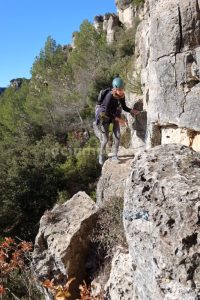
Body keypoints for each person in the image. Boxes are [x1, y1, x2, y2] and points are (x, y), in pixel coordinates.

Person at [97, 76, 139, 165]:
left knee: (118, 135)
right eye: (119, 89)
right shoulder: (109, 96)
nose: (121, 91)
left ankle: (115, 155)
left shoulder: (121, 95)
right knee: (105, 139)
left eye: (122, 89)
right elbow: (107, 112)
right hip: (104, 115)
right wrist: (120, 120)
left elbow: (124, 107)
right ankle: (101, 155)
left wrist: (131, 110)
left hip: (114, 114)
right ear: (115, 89)